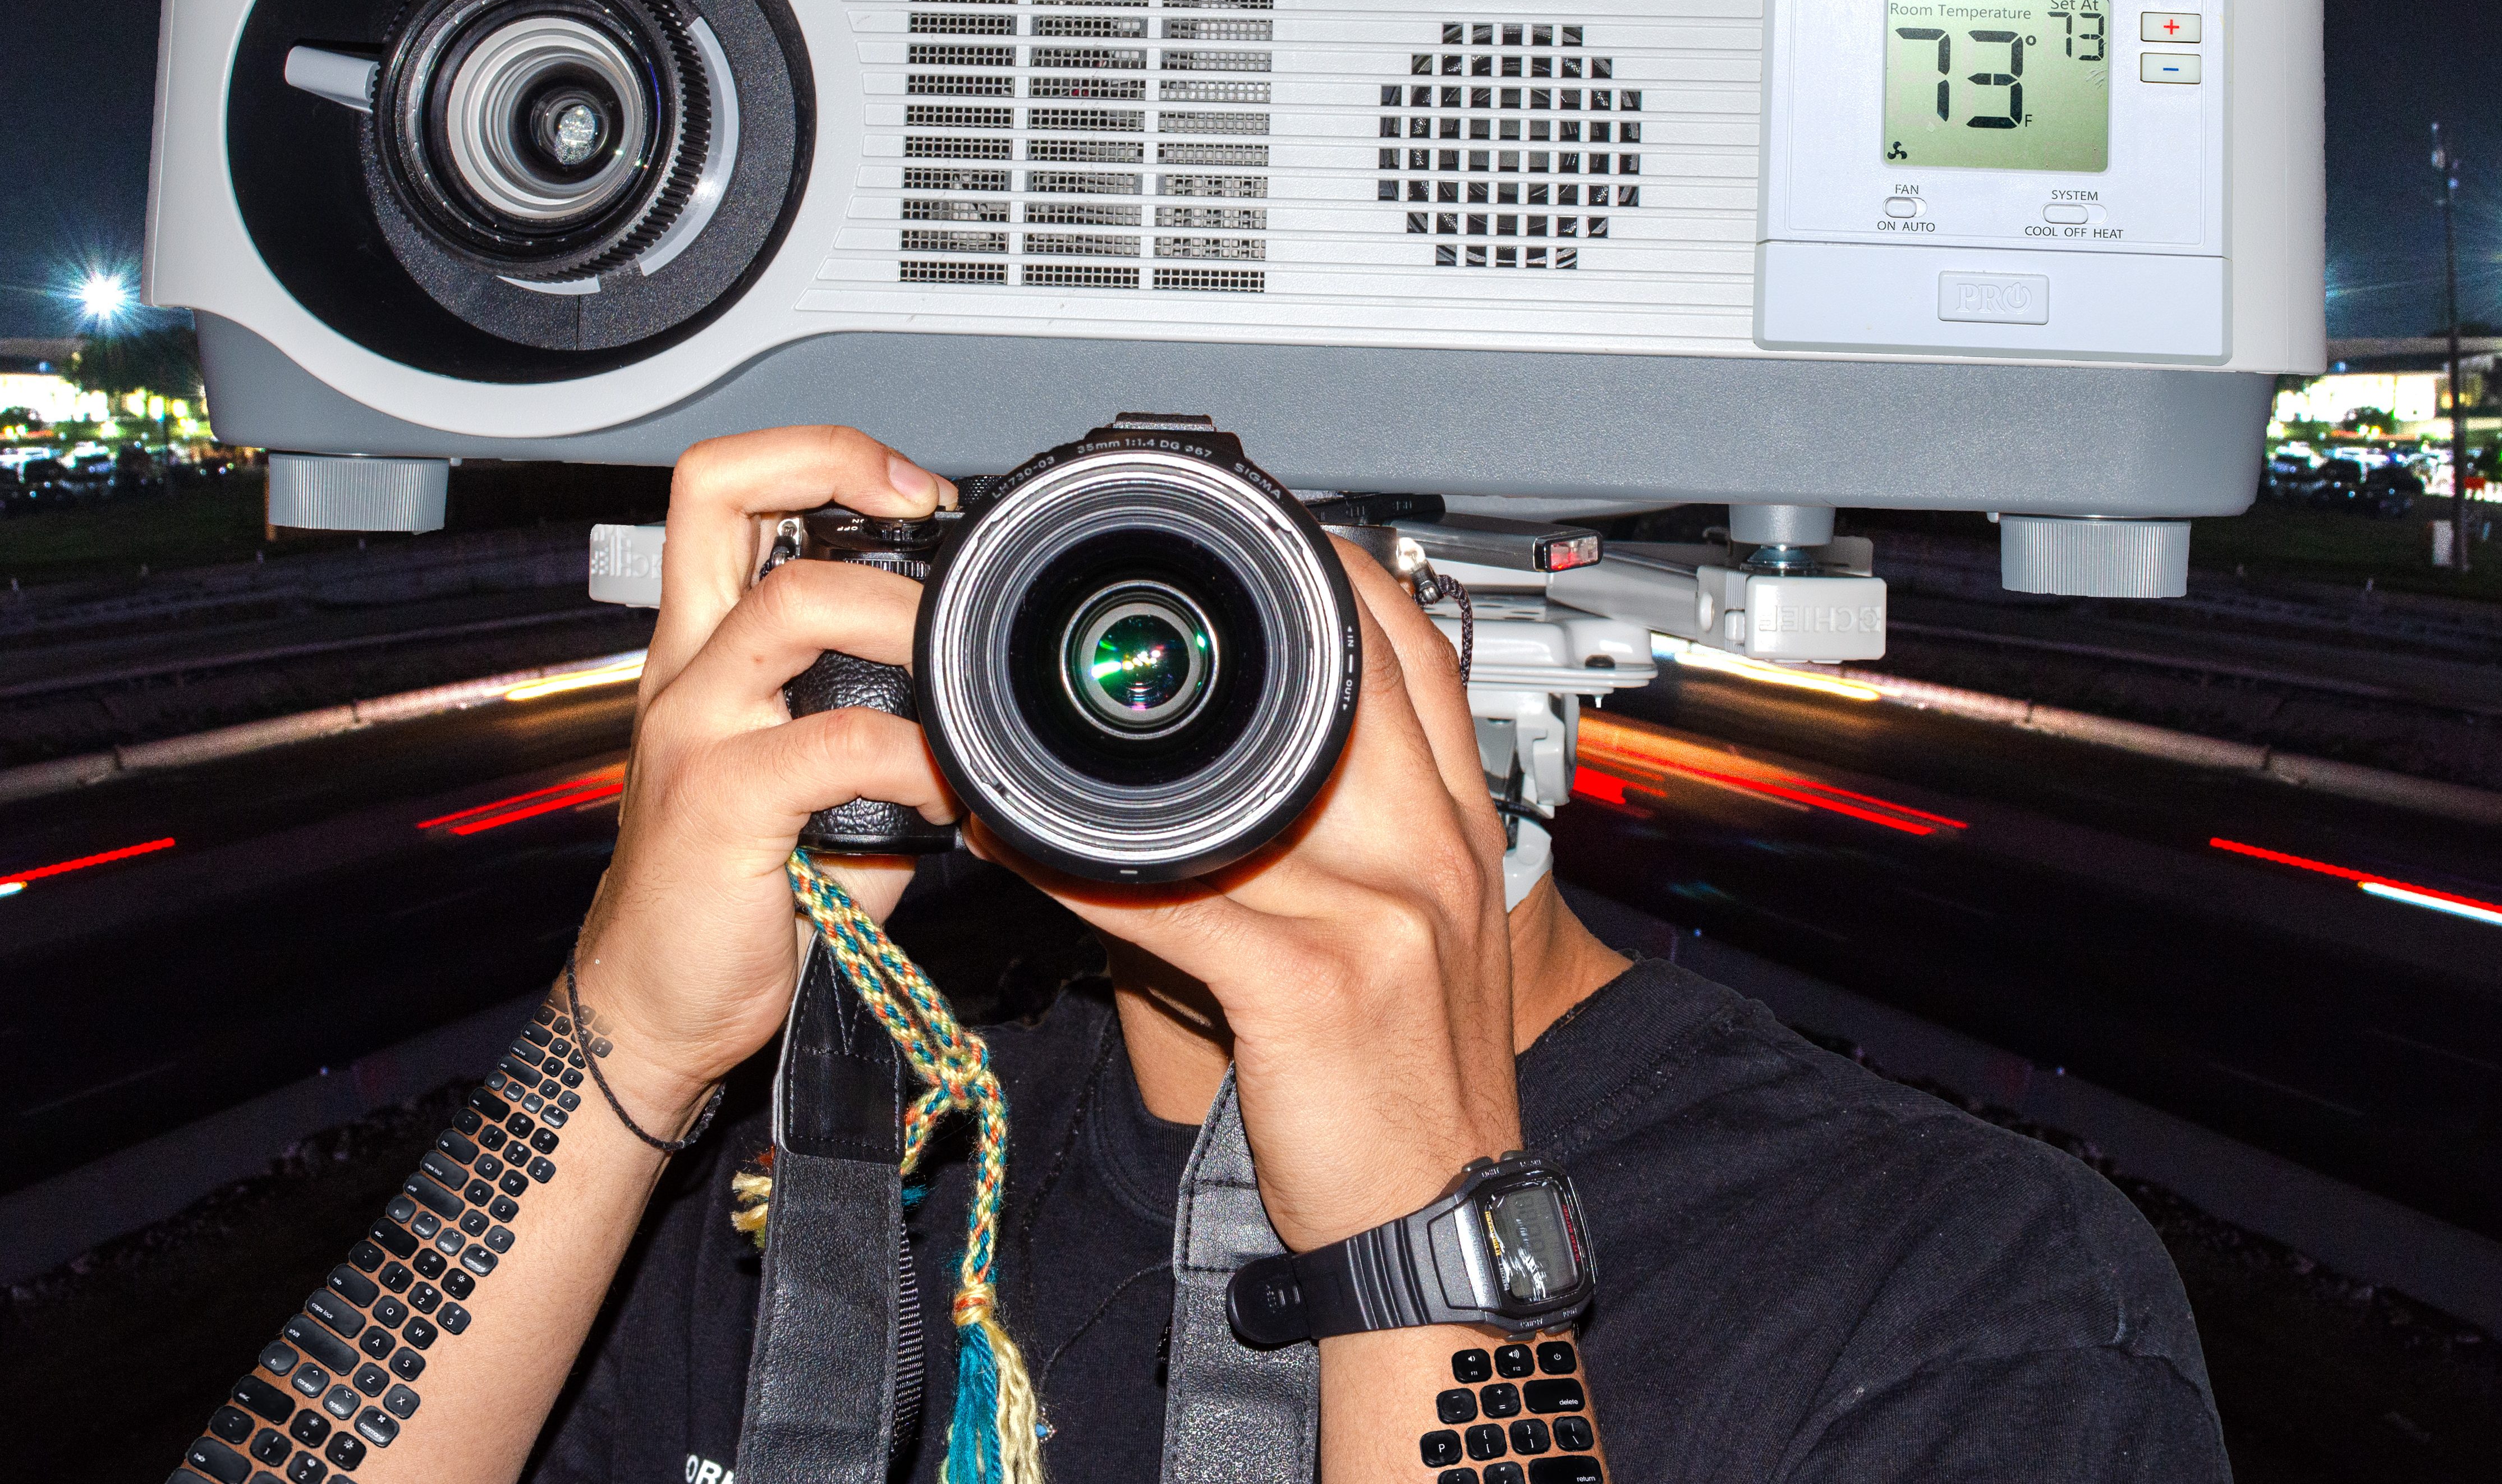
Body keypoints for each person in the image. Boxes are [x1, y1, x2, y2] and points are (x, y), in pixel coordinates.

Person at [177, 426, 2231, 1484]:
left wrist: (1422, 1225)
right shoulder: (807, 1208)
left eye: (1255, 584)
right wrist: (621, 1047)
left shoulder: (1958, 1289)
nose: (1160, 683)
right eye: (1083, 576)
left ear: (1462, 637)